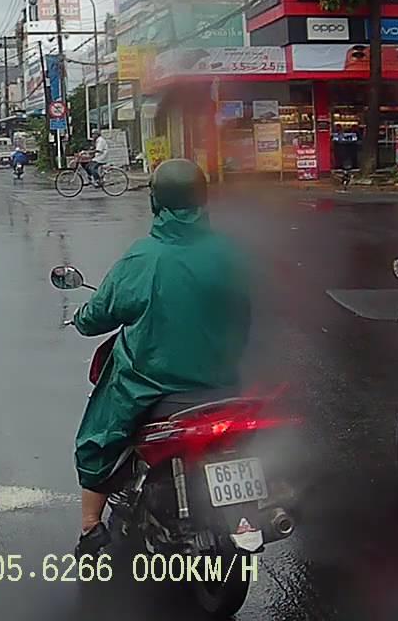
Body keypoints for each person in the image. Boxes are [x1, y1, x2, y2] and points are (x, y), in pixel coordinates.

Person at [69, 159, 251, 555]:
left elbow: (99, 314)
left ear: (156, 201)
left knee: (98, 436)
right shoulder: (229, 252)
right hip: (224, 381)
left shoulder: (144, 258)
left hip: (152, 384)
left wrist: (80, 318)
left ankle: (90, 527)